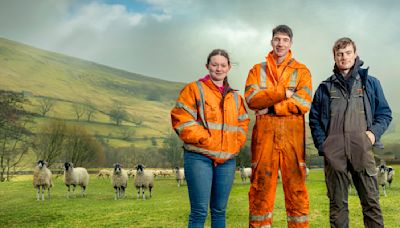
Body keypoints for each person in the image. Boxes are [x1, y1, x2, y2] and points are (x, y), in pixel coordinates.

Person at [309, 37, 392, 227]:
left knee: (371, 203)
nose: (344, 57)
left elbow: (385, 114)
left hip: (362, 150)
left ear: (355, 54)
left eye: (347, 53)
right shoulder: (324, 88)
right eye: (339, 54)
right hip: (334, 154)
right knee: (337, 206)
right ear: (334, 57)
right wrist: (325, 146)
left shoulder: (370, 83)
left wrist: (372, 134)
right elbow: (314, 120)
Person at [171, 49, 250, 228]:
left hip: (227, 161)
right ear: (207, 66)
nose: (219, 68)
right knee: (199, 212)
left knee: (220, 211)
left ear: (229, 67)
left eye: (223, 65)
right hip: (199, 157)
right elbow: (181, 119)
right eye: (214, 65)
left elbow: (243, 124)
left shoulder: (236, 98)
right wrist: (209, 141)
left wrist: (234, 146)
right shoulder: (194, 89)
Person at [244, 25, 312, 227]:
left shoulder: (302, 71)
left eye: (285, 40)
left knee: (297, 192)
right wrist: (284, 92)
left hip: (292, 139)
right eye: (277, 39)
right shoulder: (257, 70)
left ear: (291, 43)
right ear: (271, 41)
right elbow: (252, 100)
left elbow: (303, 103)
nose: (280, 43)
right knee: (260, 190)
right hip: (264, 139)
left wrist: (271, 108)